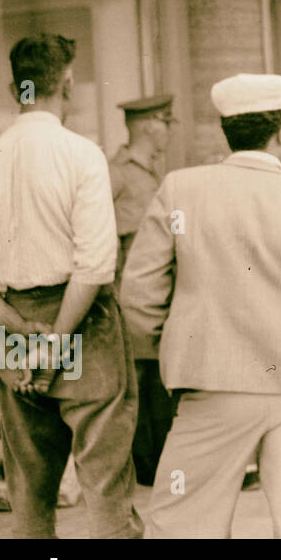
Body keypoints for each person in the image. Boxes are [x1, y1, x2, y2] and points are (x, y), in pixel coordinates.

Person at [121, 73, 281, 538]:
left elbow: (138, 294)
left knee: (183, 526)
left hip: (210, 384)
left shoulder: (180, 189)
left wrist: (180, 350)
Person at [0, 34, 142, 538]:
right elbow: (94, 267)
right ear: (68, 84)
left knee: (29, 481)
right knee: (104, 477)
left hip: (13, 322)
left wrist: (22, 331)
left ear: (15, 89)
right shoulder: (82, 155)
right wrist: (55, 344)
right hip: (82, 321)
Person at [109, 94, 176, 487]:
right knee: (134, 388)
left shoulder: (153, 173)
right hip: (126, 302)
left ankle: (157, 469)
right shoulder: (117, 175)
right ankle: (142, 468)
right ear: (151, 125)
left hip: (153, 300)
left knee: (156, 386)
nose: (167, 131)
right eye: (166, 123)